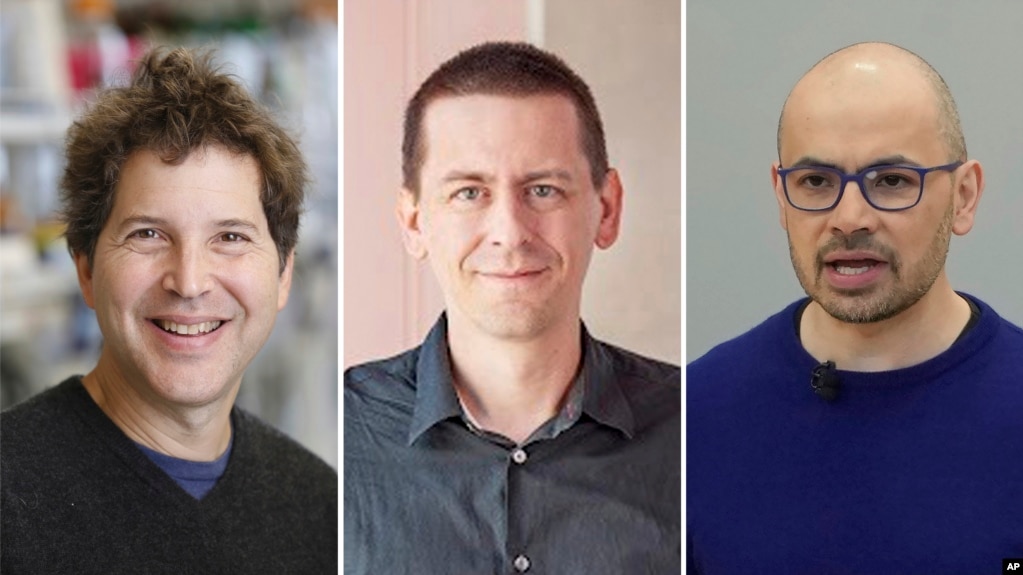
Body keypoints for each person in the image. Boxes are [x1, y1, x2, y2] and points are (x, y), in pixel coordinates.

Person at [344, 42, 680, 574]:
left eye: (543, 189)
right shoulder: (337, 445)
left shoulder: (696, 437)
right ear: (413, 223)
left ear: (607, 209)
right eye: (469, 193)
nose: (509, 233)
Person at [687, 41, 1023, 573]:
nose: (849, 217)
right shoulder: (691, 421)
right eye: (816, 182)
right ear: (781, 197)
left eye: (891, 181)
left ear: (964, 197)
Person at [0, 47, 337, 573]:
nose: (190, 281)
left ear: (283, 273)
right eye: (149, 234)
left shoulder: (320, 510)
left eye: (230, 236)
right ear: (85, 268)